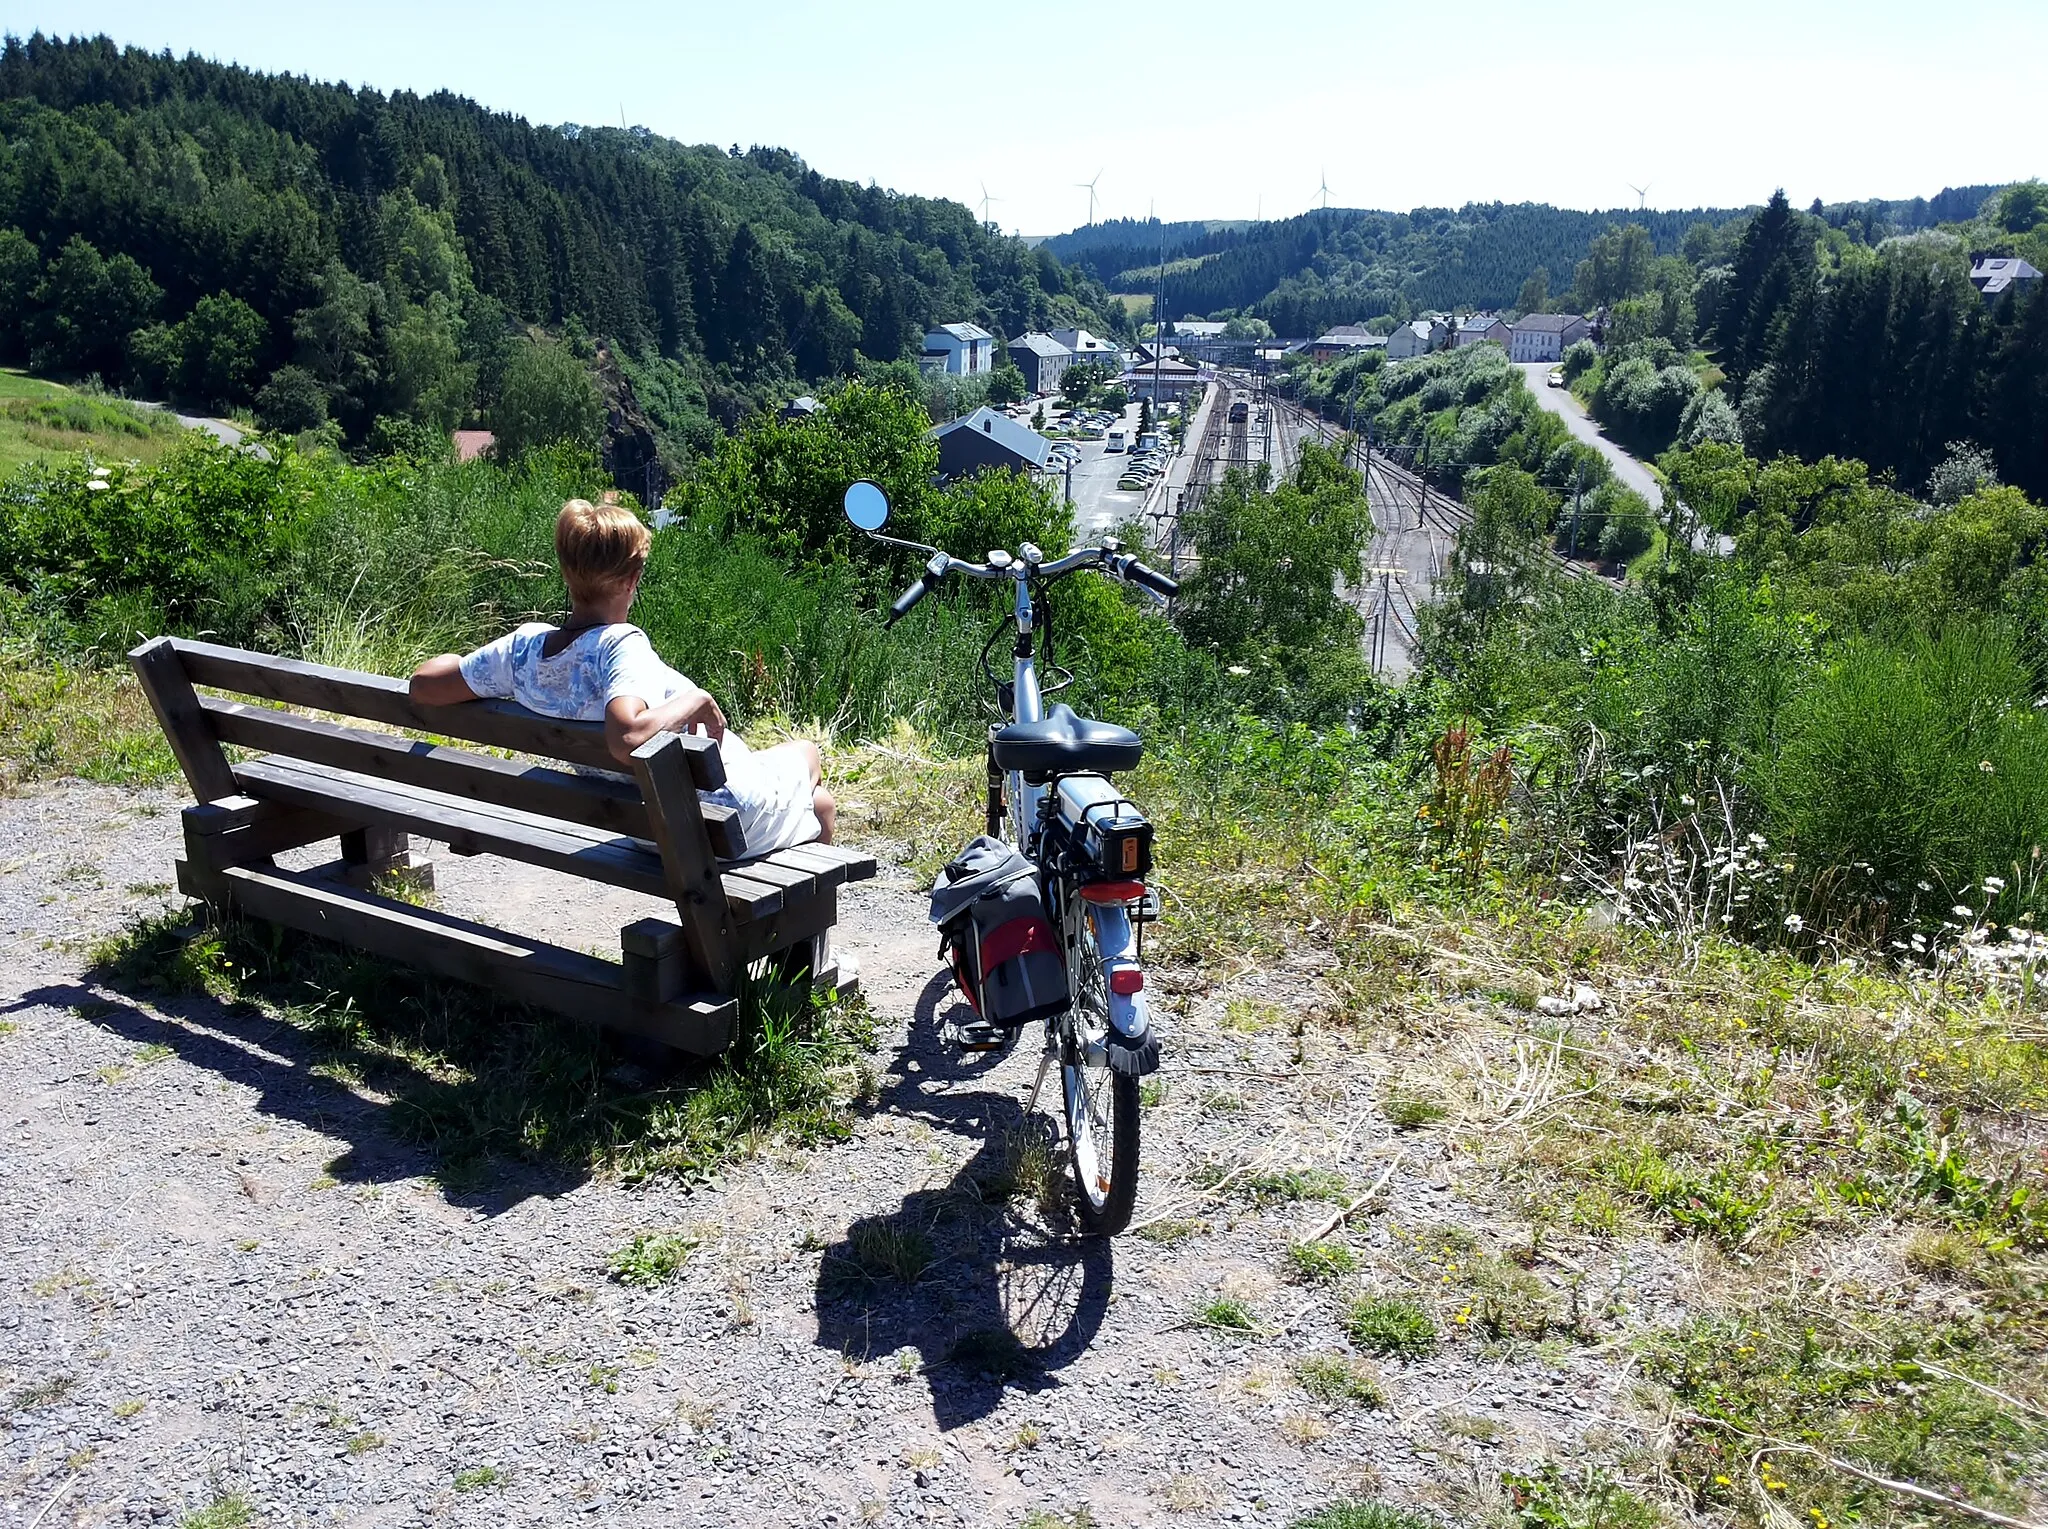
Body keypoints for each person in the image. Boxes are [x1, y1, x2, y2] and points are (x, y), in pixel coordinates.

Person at [409, 495, 834, 854]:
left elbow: (423, 684)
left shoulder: (522, 651)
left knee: (810, 797)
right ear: (632, 580)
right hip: (715, 821)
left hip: (649, 823)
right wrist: (697, 698)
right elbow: (626, 738)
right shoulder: (620, 645)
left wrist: (464, 659)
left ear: (566, 572)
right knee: (812, 769)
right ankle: (799, 949)